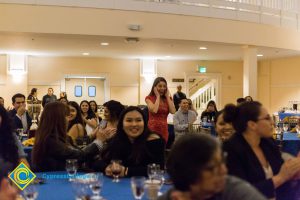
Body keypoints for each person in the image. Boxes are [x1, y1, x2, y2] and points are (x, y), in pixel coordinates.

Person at [223, 102, 300, 200]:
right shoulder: (231, 150)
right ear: (252, 125)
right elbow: (240, 193)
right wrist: (280, 178)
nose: (272, 122)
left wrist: (293, 175)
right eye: (267, 118)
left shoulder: (267, 142)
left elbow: (282, 176)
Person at [159, 134, 267, 200]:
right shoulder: (172, 197)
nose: (224, 170)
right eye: (211, 168)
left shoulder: (233, 190)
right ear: (188, 176)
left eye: (222, 161)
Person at [32, 102, 104, 172]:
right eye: (66, 116)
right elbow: (79, 155)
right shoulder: (50, 140)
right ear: (57, 119)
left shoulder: (60, 137)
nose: (68, 119)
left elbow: (79, 152)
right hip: (54, 180)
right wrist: (99, 141)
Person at [101, 106, 165, 177]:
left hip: (145, 185)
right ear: (122, 124)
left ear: (144, 123)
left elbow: (158, 169)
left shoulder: (154, 140)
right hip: (119, 185)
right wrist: (106, 168)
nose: (134, 124)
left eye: (138, 120)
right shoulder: (117, 139)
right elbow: (97, 162)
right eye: (129, 120)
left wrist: (126, 171)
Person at [146, 77, 176, 143]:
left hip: (164, 129)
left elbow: (173, 111)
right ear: (154, 87)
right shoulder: (149, 98)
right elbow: (154, 110)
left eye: (164, 86)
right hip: (152, 129)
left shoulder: (168, 99)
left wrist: (168, 97)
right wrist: (158, 96)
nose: (162, 88)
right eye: (160, 86)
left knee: (162, 150)